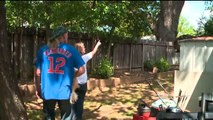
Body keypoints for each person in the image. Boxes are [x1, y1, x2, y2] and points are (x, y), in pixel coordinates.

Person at [34, 26, 85, 120]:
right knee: (66, 117)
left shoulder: (43, 50)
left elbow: (37, 72)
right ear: (63, 36)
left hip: (47, 91)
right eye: (66, 36)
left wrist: (38, 88)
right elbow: (82, 70)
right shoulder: (71, 50)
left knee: (49, 116)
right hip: (64, 91)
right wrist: (72, 76)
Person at [71, 40, 101, 120]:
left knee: (73, 105)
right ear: (79, 50)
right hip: (81, 85)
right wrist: (97, 44)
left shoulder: (72, 60)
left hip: (73, 85)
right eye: (83, 47)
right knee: (79, 105)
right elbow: (93, 52)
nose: (85, 48)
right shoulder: (83, 58)